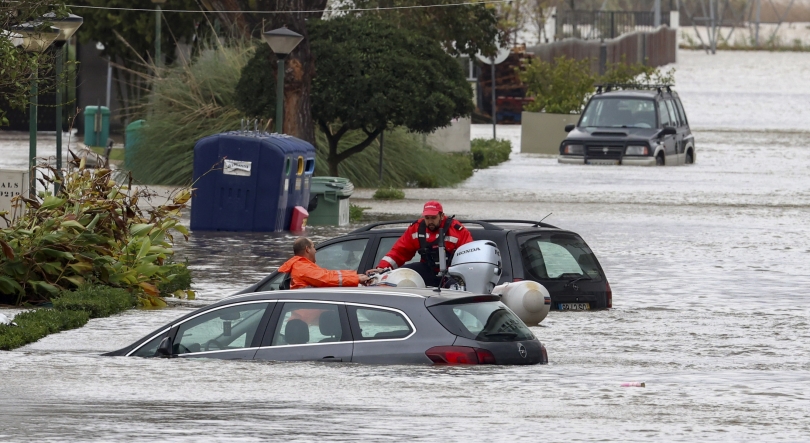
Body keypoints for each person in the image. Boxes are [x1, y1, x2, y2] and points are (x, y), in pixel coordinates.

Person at [367, 201, 472, 286]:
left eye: (433, 218)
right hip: (427, 269)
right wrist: (382, 268)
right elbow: (399, 252)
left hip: (451, 272)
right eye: (427, 218)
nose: (430, 221)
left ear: (442, 216)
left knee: (458, 286)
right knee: (399, 275)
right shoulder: (416, 229)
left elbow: (470, 256)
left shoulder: (457, 230)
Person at [278, 237, 369, 289]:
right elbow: (326, 279)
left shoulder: (302, 265)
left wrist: (355, 276)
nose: (315, 250)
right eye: (313, 247)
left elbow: (327, 274)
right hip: (308, 315)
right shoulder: (302, 268)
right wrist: (356, 279)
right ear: (307, 249)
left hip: (310, 313)